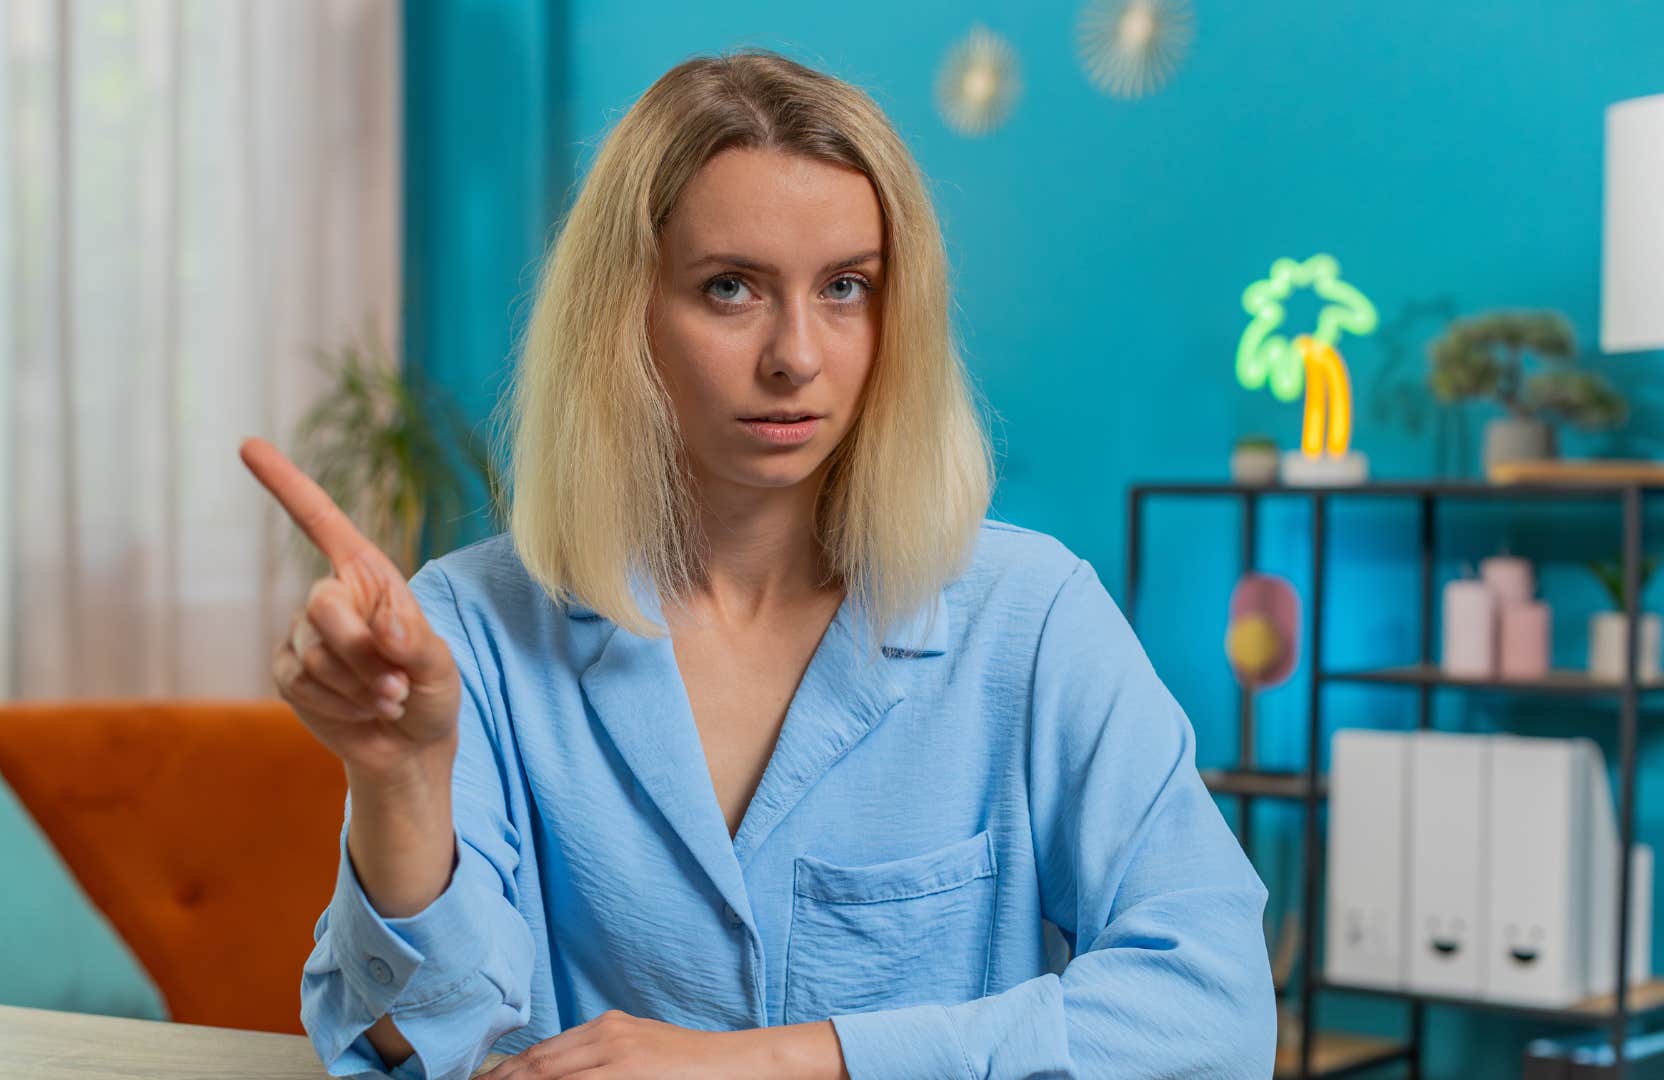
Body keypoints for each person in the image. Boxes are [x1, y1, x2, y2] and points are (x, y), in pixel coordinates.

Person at [243, 48, 1274, 1080]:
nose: (796, 355)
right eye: (730, 288)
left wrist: (779, 1061)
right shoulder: (471, 629)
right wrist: (402, 782)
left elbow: (1214, 1010)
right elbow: (422, 1048)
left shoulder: (1036, 618)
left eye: (845, 288)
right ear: (625, 314)